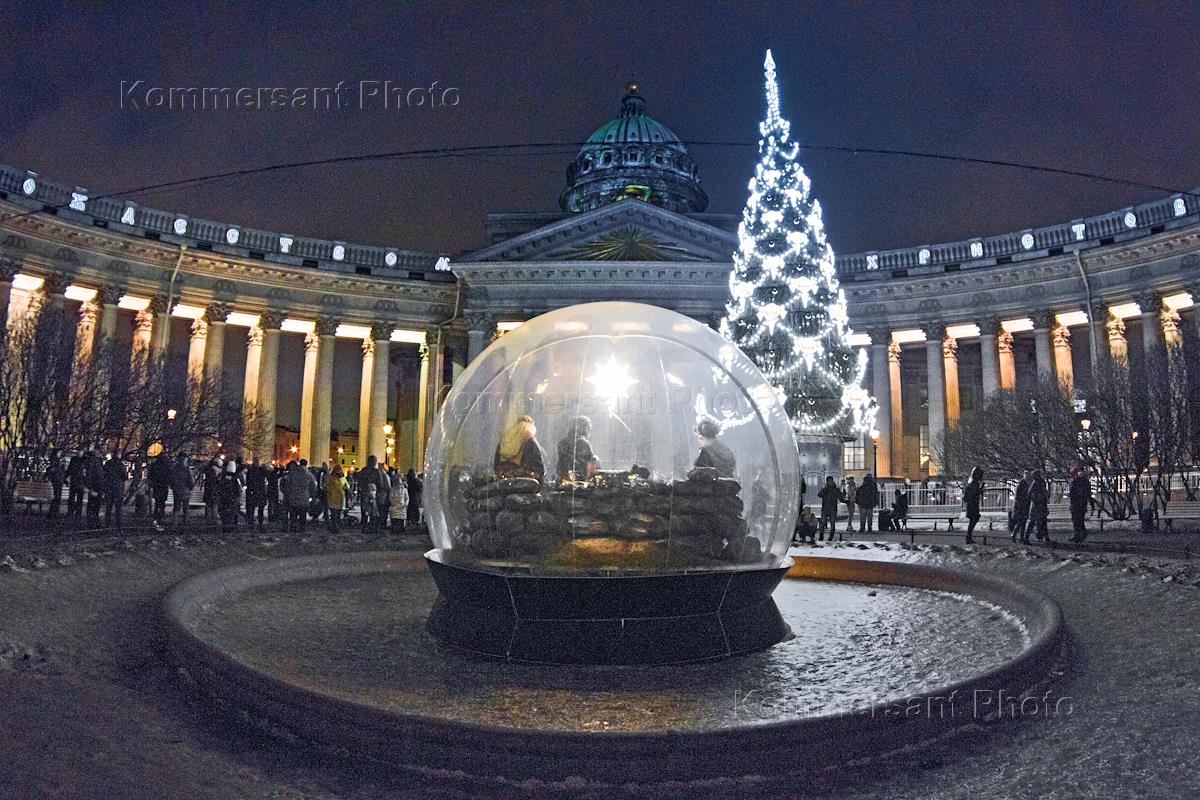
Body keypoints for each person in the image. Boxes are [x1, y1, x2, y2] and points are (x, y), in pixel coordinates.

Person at [494, 415, 546, 480]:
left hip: (504, 481)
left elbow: (496, 464)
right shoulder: (530, 439)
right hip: (523, 483)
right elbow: (540, 470)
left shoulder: (505, 438)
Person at [555, 416, 598, 482]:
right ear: (584, 428)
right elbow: (590, 467)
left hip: (563, 480)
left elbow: (559, 465)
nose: (590, 430)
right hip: (580, 482)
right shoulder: (584, 443)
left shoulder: (562, 443)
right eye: (589, 428)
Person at [283, 460, 316, 533]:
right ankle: (301, 529)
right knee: (302, 516)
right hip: (304, 499)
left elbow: (287, 486)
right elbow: (313, 487)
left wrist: (288, 494)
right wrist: (312, 497)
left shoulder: (292, 474)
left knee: (293, 516)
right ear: (306, 465)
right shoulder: (309, 475)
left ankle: (293, 529)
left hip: (293, 498)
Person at [102, 451, 127, 529]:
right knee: (118, 508)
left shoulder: (107, 464)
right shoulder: (121, 465)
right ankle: (118, 525)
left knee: (108, 507)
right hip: (118, 488)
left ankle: (107, 524)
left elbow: (104, 475)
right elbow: (125, 477)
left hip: (109, 488)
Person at [147, 452, 172, 525]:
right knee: (161, 502)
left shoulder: (154, 465)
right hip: (163, 486)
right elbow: (170, 475)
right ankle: (160, 515)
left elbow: (150, 476)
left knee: (158, 502)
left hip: (157, 486)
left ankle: (156, 515)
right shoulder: (167, 466)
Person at [1068, 462, 1091, 543]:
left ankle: (1078, 534)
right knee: (1078, 520)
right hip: (1079, 504)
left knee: (1078, 520)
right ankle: (1078, 534)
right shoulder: (1083, 482)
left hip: (1078, 504)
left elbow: (1073, 493)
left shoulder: (1079, 482)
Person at [216, 461, 242, 532]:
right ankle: (231, 527)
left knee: (225, 514)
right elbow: (239, 489)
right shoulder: (235, 479)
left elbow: (219, 487)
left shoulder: (223, 477)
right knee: (231, 514)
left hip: (225, 498)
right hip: (231, 499)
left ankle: (226, 527)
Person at [244, 457, 268, 530]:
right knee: (258, 508)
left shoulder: (252, 470)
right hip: (258, 491)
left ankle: (254, 523)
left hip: (256, 491)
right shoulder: (261, 470)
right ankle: (257, 523)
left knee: (256, 508)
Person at [817, 476, 843, 541]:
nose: (830, 482)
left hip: (833, 509)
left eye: (830, 481)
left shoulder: (836, 489)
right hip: (825, 509)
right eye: (828, 481)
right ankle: (821, 535)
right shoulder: (824, 489)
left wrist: (846, 500)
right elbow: (819, 494)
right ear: (827, 482)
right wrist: (825, 489)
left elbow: (840, 497)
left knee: (832, 523)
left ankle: (831, 537)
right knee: (822, 523)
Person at [84, 450, 105, 527]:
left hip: (94, 487)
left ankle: (91, 521)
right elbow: (99, 476)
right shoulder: (96, 463)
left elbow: (89, 476)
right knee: (95, 505)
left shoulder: (90, 463)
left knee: (91, 504)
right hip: (97, 487)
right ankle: (94, 521)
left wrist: (88, 487)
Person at [171, 454, 195, 524]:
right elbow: (190, 480)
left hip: (177, 490)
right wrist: (191, 487)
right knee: (185, 507)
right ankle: (186, 521)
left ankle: (174, 522)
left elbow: (172, 480)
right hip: (185, 490)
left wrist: (173, 487)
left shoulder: (175, 469)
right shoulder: (187, 469)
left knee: (176, 507)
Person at [963, 466, 984, 544]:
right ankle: (968, 537)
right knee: (974, 519)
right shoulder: (974, 483)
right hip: (972, 505)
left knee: (974, 519)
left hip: (972, 504)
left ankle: (968, 537)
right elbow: (975, 493)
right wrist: (980, 490)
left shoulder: (972, 482)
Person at [1028, 469, 1050, 543]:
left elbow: (1030, 493)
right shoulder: (1038, 482)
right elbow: (1030, 493)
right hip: (1039, 504)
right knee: (1039, 521)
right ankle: (1043, 536)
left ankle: (1042, 536)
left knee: (1040, 521)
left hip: (1040, 504)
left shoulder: (1038, 482)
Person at [325, 465, 349, 533]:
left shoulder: (342, 478)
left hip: (340, 498)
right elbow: (327, 486)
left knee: (337, 514)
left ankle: (336, 526)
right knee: (334, 513)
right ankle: (334, 526)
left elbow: (346, 487)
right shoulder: (331, 477)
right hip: (333, 498)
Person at [1011, 470, 1031, 543]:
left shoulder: (1025, 483)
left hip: (1023, 505)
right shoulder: (1022, 484)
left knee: (1023, 522)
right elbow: (1018, 496)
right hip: (1020, 505)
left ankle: (1019, 536)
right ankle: (1015, 535)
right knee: (1021, 521)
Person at [44, 449, 65, 520]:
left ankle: (54, 513)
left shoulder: (57, 460)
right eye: (59, 452)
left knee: (57, 497)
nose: (60, 453)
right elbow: (53, 469)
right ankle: (53, 513)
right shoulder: (56, 460)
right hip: (57, 480)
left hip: (58, 480)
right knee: (57, 497)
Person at [202, 457, 223, 523]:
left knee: (208, 506)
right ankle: (214, 520)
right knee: (214, 506)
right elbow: (218, 483)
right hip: (214, 492)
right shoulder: (218, 473)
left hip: (208, 491)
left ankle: (208, 520)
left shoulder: (208, 472)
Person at [66, 451, 85, 522]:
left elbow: (70, 469)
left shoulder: (80, 460)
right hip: (76, 481)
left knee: (78, 499)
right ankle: (72, 513)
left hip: (79, 482)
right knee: (73, 498)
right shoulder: (75, 460)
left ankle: (76, 513)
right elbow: (70, 469)